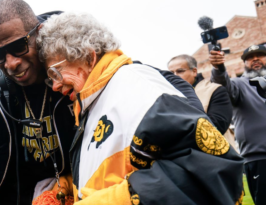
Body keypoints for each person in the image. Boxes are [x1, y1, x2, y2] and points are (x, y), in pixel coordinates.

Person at [35, 12, 244, 204]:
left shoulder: (138, 87)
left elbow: (210, 171)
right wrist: (67, 187)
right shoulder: (95, 101)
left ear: (88, 57)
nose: (55, 85)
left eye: (55, 73)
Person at [0, 1, 76, 205]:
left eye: (19, 46)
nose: (11, 63)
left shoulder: (74, 59)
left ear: (39, 33)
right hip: (12, 197)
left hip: (75, 193)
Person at [209, 44, 266, 205]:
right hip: (260, 158)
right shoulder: (239, 84)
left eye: (260, 55)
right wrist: (219, 68)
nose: (255, 59)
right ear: (245, 63)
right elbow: (223, 86)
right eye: (249, 57)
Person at [167, 54, 237, 151]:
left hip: (218, 156)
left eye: (180, 71)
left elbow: (218, 125)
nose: (174, 76)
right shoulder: (167, 96)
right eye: (171, 73)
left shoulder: (215, 90)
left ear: (194, 71)